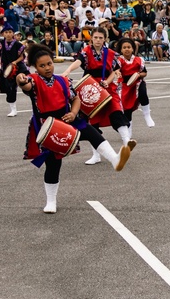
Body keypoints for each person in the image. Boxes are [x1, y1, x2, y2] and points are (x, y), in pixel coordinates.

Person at [18, 44, 131, 213]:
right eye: (42, 66)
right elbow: (26, 86)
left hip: (67, 118)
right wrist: (21, 81)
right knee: (53, 164)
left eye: (49, 63)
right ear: (35, 67)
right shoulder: (33, 81)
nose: (47, 68)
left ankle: (115, 160)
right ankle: (51, 201)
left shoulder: (63, 80)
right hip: (48, 126)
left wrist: (73, 112)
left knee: (92, 132)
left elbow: (75, 98)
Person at [61, 27, 134, 164]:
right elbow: (79, 62)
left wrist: (107, 82)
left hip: (106, 86)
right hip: (89, 87)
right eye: (95, 37)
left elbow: (115, 71)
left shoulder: (111, 53)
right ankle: (96, 155)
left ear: (105, 39)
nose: (98, 40)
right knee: (90, 120)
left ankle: (127, 141)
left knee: (115, 111)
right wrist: (68, 70)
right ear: (91, 38)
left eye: (101, 38)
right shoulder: (86, 51)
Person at [117, 37, 155, 128]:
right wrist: (117, 72)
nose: (127, 49)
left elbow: (144, 73)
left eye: (129, 47)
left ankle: (147, 115)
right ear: (121, 50)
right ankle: (128, 133)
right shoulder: (119, 60)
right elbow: (116, 70)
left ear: (133, 48)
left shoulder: (138, 60)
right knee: (127, 109)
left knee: (143, 94)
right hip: (125, 85)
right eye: (124, 47)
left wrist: (138, 75)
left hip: (138, 82)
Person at [0, 24, 27, 117]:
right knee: (9, 88)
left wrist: (15, 62)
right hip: (6, 68)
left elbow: (22, 56)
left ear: (13, 33)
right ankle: (13, 109)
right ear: (3, 34)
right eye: (6, 32)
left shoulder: (18, 44)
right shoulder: (1, 44)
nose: (8, 34)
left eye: (10, 32)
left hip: (18, 66)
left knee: (28, 84)